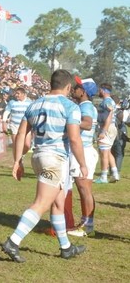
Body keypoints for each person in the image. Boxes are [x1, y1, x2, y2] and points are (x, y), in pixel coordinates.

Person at [2, 69, 87, 263]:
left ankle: (66, 247)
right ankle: (13, 242)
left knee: (58, 203)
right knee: (41, 203)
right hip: (54, 159)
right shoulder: (70, 107)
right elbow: (74, 139)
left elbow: (21, 135)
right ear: (68, 87)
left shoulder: (34, 104)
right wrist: (82, 164)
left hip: (39, 156)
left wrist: (17, 160)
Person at [67, 78, 98, 237]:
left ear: (83, 92)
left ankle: (86, 225)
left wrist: (70, 121)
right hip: (86, 150)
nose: (74, 89)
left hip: (83, 151)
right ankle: (88, 224)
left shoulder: (85, 106)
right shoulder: (85, 105)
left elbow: (87, 123)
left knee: (84, 189)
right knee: (85, 190)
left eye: (77, 87)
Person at [94, 83, 120, 183]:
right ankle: (115, 174)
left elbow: (109, 115)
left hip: (107, 128)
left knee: (103, 153)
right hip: (112, 127)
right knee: (108, 152)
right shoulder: (110, 101)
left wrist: (103, 131)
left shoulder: (107, 102)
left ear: (103, 91)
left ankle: (103, 177)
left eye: (100, 90)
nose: (99, 91)